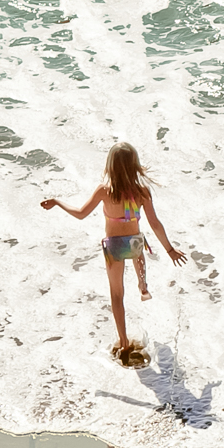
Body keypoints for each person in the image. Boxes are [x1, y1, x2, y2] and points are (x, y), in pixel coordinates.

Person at [41, 140, 183, 362]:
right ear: (134, 165)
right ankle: (142, 284)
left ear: (110, 166)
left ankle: (124, 342)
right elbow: (155, 224)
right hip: (135, 243)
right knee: (138, 248)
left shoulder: (104, 191)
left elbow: (80, 213)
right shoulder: (142, 191)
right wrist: (170, 249)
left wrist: (58, 202)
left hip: (114, 246)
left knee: (117, 295)